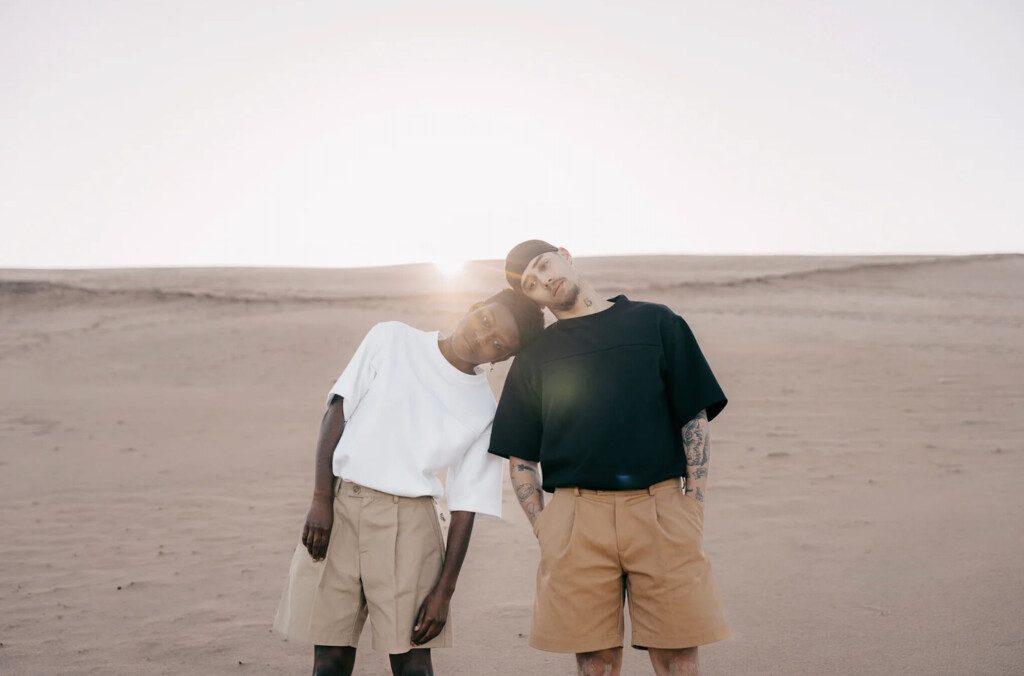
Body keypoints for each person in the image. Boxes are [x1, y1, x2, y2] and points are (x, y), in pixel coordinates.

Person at [489, 240, 730, 676]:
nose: (544, 280)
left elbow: (693, 416)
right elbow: (520, 456)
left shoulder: (655, 321)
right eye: (531, 283)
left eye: (544, 265)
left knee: (678, 659)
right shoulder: (534, 358)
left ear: (564, 253)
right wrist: (544, 527)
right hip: (576, 519)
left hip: (661, 510)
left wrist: (693, 501)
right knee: (595, 664)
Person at [274, 289, 544, 676]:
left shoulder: (485, 411)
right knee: (330, 659)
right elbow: (338, 410)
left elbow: (466, 505)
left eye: (497, 343)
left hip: (411, 528)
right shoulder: (391, 338)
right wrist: (321, 499)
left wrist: (444, 592)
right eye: (485, 320)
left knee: (412, 661)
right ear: (474, 307)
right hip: (340, 508)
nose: (481, 337)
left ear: (500, 358)